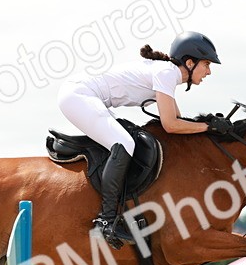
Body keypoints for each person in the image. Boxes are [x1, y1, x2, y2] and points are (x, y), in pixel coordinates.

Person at [57, 32, 229, 248]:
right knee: (125, 143)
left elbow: (179, 121)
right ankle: (106, 220)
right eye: (207, 64)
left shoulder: (167, 75)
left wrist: (209, 126)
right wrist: (208, 126)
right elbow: (171, 125)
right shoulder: (166, 73)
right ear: (190, 62)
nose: (209, 71)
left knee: (126, 140)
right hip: (78, 95)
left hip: (86, 97)